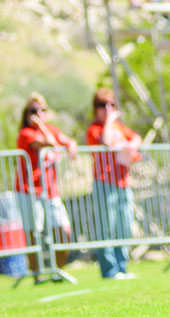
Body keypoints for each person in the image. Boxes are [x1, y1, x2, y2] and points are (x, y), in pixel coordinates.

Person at [15, 93, 77, 284]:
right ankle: (37, 275)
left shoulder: (51, 129)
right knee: (34, 233)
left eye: (42, 110)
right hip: (30, 190)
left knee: (63, 231)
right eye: (33, 111)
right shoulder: (26, 134)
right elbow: (50, 142)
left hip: (50, 191)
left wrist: (72, 145)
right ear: (27, 114)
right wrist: (41, 125)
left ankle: (57, 271)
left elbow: (67, 141)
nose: (38, 114)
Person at [86, 88, 142, 280]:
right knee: (106, 227)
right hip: (104, 183)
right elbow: (106, 142)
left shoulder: (119, 127)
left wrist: (131, 146)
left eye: (111, 105)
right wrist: (109, 120)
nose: (107, 109)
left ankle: (122, 267)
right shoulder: (94, 129)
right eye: (102, 105)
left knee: (123, 226)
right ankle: (109, 270)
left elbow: (136, 137)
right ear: (95, 108)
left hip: (122, 182)